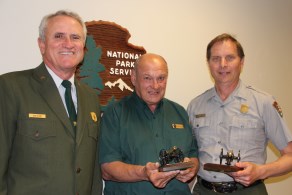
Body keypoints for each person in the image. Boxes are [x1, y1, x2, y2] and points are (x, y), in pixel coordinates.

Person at [0, 10, 102, 195]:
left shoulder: (91, 98)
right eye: (59, 36)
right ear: (42, 44)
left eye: (75, 37)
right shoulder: (11, 87)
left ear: (83, 46)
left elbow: (92, 169)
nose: (68, 44)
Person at [187, 33, 292, 195]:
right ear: (208, 64)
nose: (223, 64)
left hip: (247, 191)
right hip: (203, 190)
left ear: (241, 62)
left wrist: (261, 171)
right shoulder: (195, 106)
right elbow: (192, 155)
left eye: (230, 58)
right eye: (216, 58)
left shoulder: (263, 102)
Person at [99, 53, 199, 195]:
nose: (155, 85)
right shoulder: (115, 113)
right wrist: (144, 173)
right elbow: (107, 169)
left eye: (161, 78)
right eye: (147, 78)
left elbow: (193, 155)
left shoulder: (180, 112)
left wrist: (191, 169)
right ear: (133, 77)